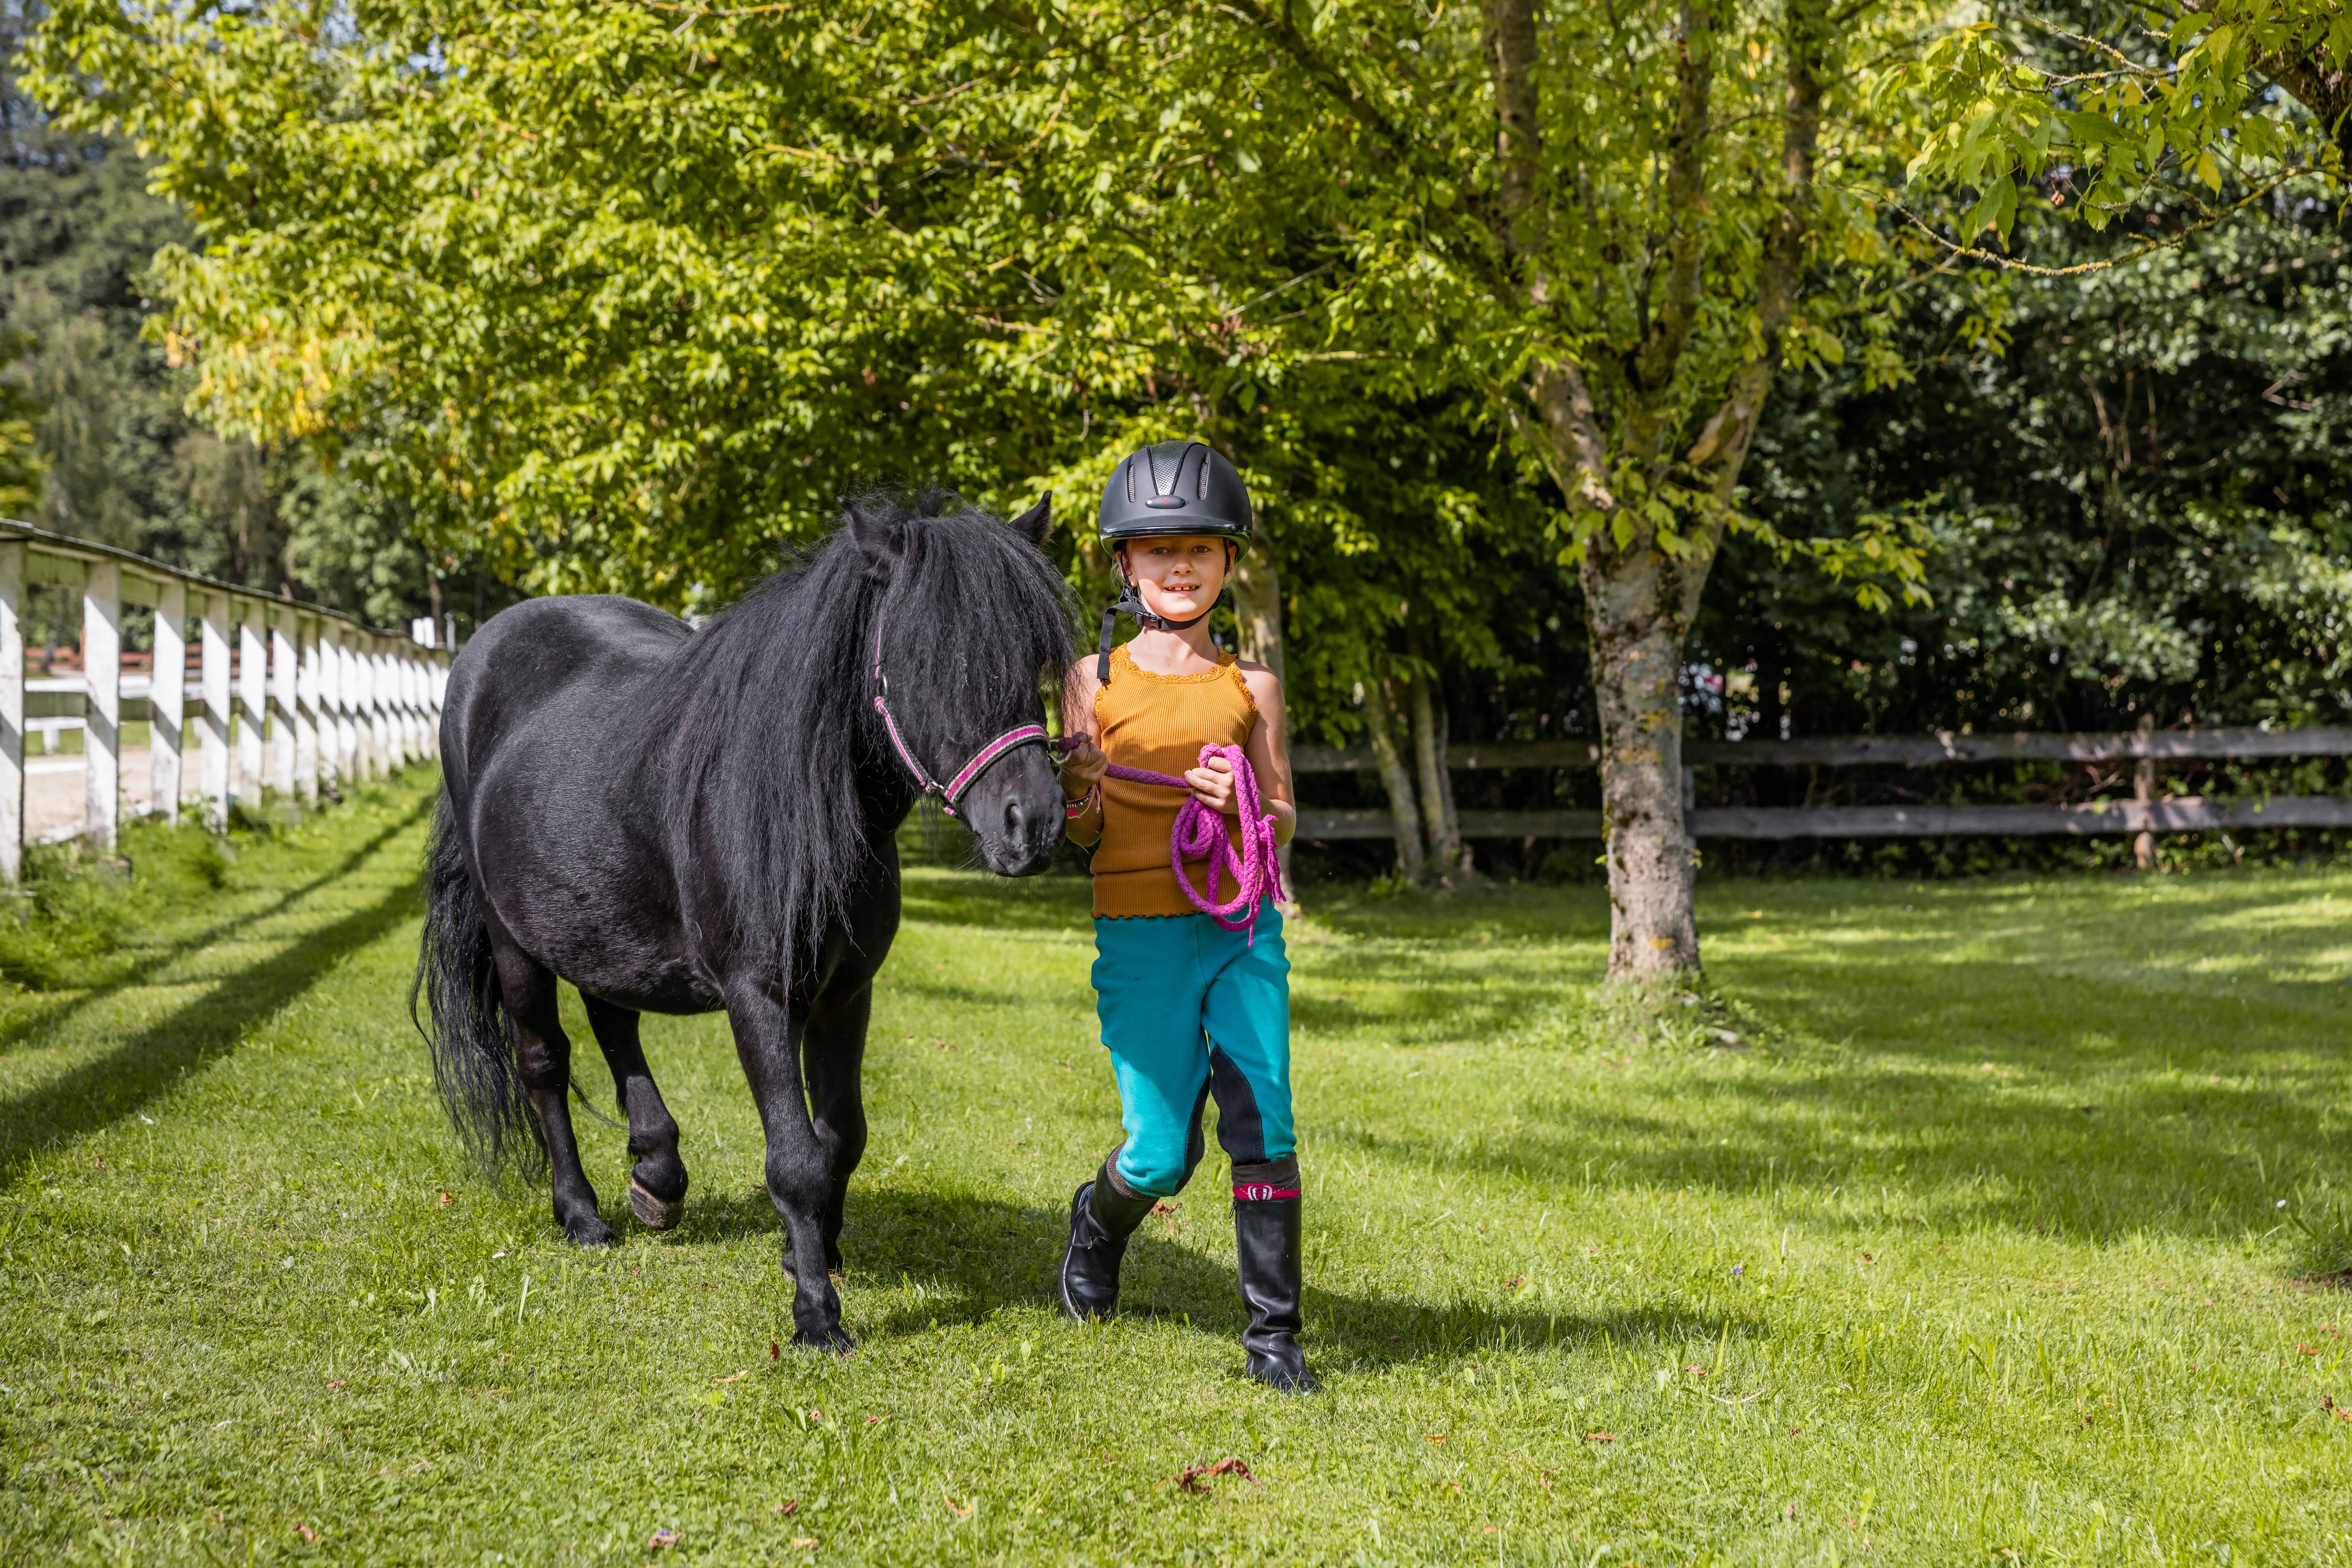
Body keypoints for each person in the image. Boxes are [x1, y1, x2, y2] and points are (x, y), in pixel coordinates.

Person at [1051, 439, 1315, 1393]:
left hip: (1240, 929)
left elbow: (1282, 817)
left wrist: (1241, 799)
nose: (1179, 567)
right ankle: (1096, 1224)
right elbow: (1081, 834)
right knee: (1163, 1155)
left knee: (1264, 1123)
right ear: (1125, 565)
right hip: (1139, 932)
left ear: (1229, 564)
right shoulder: (1094, 681)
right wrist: (1080, 789)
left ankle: (1273, 1341)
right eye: (1157, 551)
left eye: (1200, 549)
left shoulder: (1253, 689)